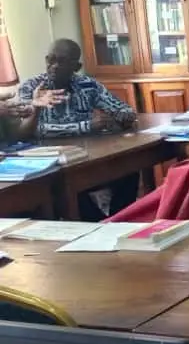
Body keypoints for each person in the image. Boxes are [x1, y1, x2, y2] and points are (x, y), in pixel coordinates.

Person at [17, 39, 139, 219]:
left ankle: (119, 222)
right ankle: (99, 224)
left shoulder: (87, 85)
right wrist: (85, 126)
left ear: (76, 66)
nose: (54, 66)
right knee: (71, 188)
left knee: (128, 171)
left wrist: (118, 119)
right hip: (51, 161)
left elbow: (125, 110)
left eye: (62, 61)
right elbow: (37, 130)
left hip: (87, 155)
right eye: (51, 59)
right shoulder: (31, 87)